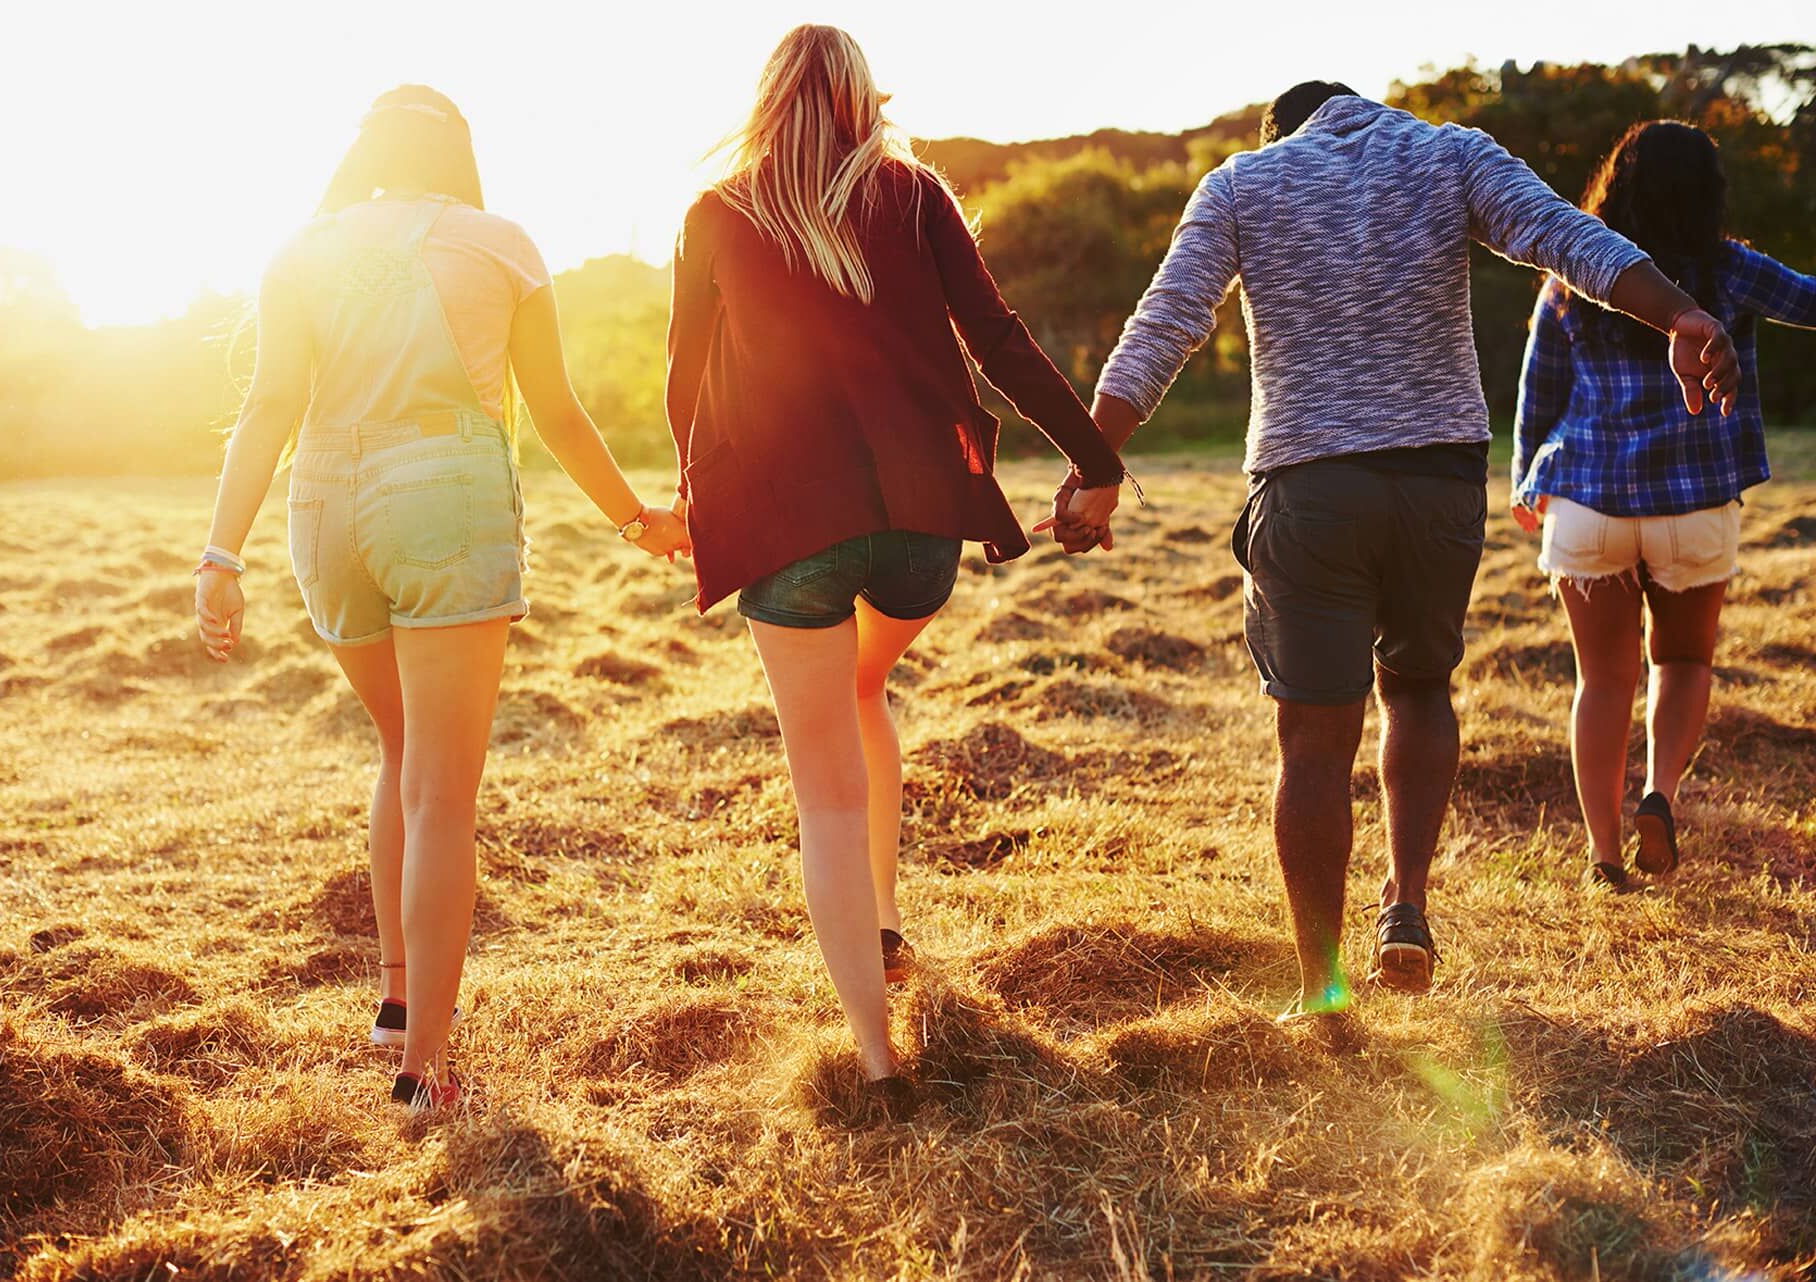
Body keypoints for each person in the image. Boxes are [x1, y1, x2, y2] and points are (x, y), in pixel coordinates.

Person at [1060, 81, 1738, 1019]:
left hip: (1309, 489)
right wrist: (1682, 316)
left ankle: (1320, 985)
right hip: (1435, 485)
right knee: (1419, 689)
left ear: (1282, 132)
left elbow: (1166, 326)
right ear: (1360, 109)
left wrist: (1097, 463)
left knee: (1313, 738)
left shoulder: (1243, 182)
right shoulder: (1447, 153)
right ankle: (1408, 904)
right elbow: (1568, 238)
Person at [194, 85, 689, 1109]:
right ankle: (425, 1069)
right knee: (440, 792)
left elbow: (269, 405)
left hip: (324, 512)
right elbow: (554, 409)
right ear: (456, 154)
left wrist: (219, 554)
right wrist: (637, 521)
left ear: (368, 149)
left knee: (400, 752)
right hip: (444, 504)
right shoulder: (498, 244)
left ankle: (394, 1001)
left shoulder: (303, 248)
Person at [667, 25, 1126, 1105]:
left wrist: (695, 497)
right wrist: (1094, 462)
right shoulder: (915, 196)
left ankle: (877, 1062)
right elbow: (1001, 342)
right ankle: (885, 925)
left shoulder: (715, 214)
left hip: (789, 531)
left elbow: (685, 385)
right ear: (863, 101)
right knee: (866, 681)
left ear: (769, 101)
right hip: (921, 529)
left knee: (824, 796)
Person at [1511, 120, 1816, 892]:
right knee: (1682, 661)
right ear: (1711, 192)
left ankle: (1605, 858)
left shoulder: (1575, 275)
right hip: (1695, 504)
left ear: (1618, 187)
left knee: (1601, 682)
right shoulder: (1730, 270)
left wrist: (1524, 481)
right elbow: (1811, 304)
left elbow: (1538, 390)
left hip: (1588, 502)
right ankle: (1660, 795)